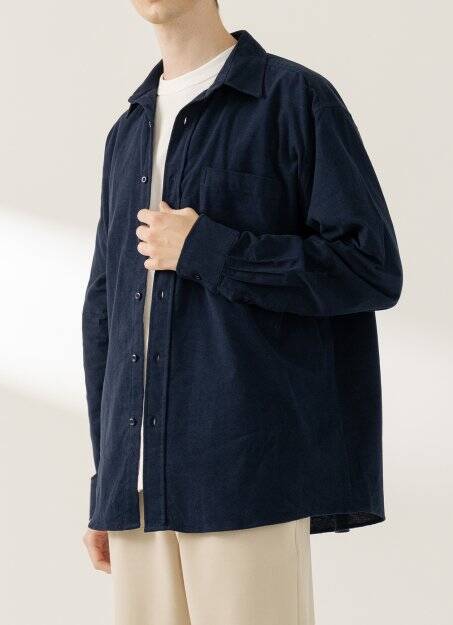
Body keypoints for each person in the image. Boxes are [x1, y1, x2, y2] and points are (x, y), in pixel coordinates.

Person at [81, 1, 403, 623]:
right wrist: (108, 483)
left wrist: (208, 249)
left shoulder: (293, 99)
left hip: (246, 473)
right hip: (138, 493)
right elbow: (106, 314)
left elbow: (370, 267)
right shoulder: (125, 134)